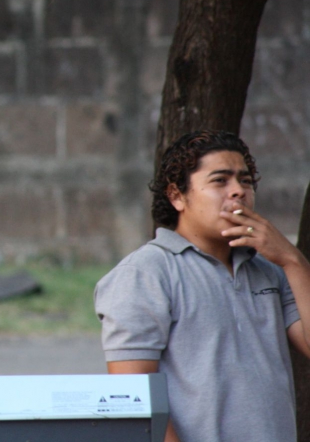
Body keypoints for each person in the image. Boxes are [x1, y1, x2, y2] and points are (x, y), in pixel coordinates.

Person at [94, 130, 310, 442]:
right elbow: (133, 395)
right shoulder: (145, 273)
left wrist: (292, 259)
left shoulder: (271, 269)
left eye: (245, 181)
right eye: (220, 180)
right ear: (176, 196)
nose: (238, 192)